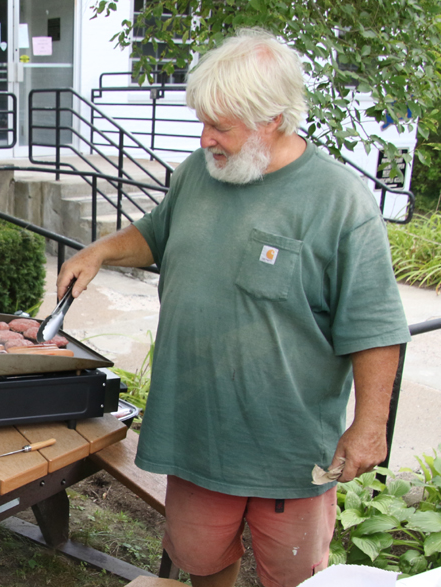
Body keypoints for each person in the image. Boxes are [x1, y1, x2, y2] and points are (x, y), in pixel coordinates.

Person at [57, 29, 410, 587]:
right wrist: (101, 251)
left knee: (289, 579)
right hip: (196, 434)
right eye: (202, 121)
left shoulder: (340, 202)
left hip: (288, 453)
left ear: (273, 118)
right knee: (204, 566)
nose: (204, 138)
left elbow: (374, 327)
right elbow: (159, 233)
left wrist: (369, 427)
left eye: (219, 125)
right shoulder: (199, 173)